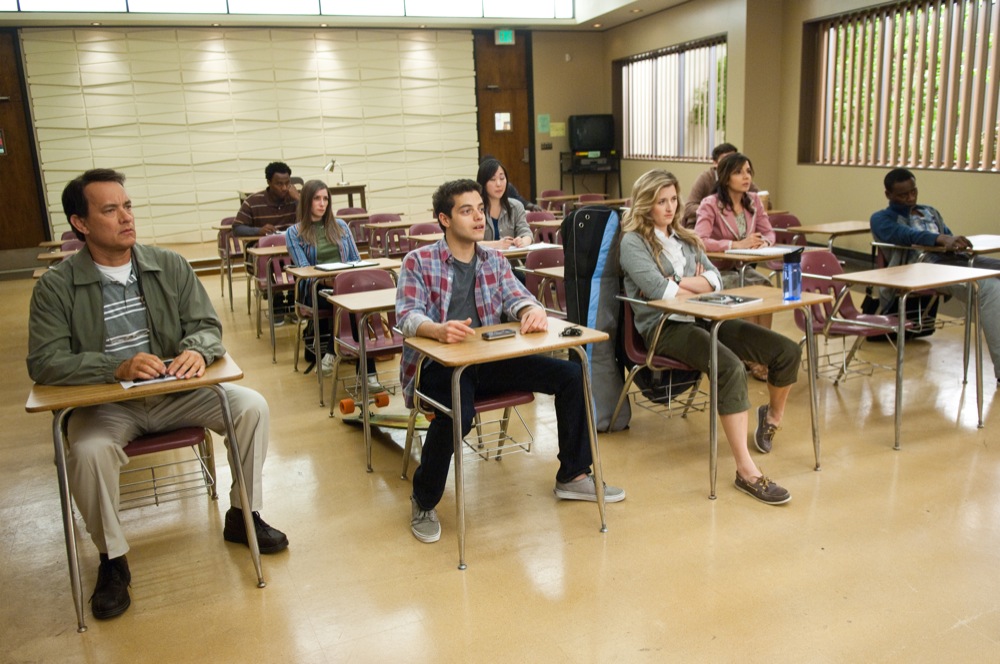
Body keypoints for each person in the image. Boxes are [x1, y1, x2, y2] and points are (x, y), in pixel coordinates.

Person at [27, 169, 288, 621]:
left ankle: (243, 514)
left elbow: (206, 326)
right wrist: (114, 367)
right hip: (106, 404)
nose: (126, 217)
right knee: (87, 451)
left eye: (127, 206)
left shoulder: (169, 266)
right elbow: (45, 362)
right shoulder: (56, 287)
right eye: (110, 210)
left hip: (174, 393)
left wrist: (197, 350)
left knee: (251, 406)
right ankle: (112, 558)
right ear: (80, 223)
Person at [395, 179, 625, 543]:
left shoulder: (494, 260)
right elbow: (407, 315)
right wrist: (436, 329)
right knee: (458, 413)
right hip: (441, 366)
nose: (478, 217)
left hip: (489, 361)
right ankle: (423, 500)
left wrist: (532, 310)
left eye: (480, 210)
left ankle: (573, 475)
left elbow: (518, 297)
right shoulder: (418, 262)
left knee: (571, 374)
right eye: (466, 211)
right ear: (444, 219)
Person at [619, 169, 800, 505]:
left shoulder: (686, 238)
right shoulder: (633, 242)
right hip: (666, 326)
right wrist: (690, 284)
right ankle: (746, 470)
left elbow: (716, 280)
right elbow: (660, 291)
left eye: (673, 199)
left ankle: (772, 417)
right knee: (730, 367)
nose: (670, 207)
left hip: (707, 315)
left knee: (786, 350)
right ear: (645, 204)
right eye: (661, 201)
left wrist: (680, 282)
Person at [870, 168, 1000, 386]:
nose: (910, 198)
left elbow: (948, 237)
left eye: (913, 191)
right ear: (888, 194)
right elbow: (905, 235)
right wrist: (939, 238)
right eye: (903, 195)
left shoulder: (929, 211)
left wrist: (953, 241)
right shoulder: (881, 218)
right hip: (924, 268)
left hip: (953, 260)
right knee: (989, 288)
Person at [286, 180, 381, 389]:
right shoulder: (294, 232)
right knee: (353, 306)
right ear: (306, 201)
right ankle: (369, 374)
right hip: (315, 289)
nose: (322, 204)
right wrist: (326, 279)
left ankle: (331, 352)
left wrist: (344, 280)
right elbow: (304, 270)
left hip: (344, 288)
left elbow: (355, 260)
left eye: (325, 199)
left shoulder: (340, 226)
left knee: (352, 304)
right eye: (317, 199)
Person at [694, 152, 776, 381]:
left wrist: (764, 242)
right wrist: (733, 245)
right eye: (738, 172)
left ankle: (762, 352)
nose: (746, 177)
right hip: (718, 270)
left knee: (765, 288)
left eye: (748, 171)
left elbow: (769, 232)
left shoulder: (754, 201)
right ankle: (751, 356)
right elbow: (700, 240)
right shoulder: (710, 204)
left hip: (743, 268)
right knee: (747, 293)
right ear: (725, 177)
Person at [682, 143, 758, 229]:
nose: (730, 163)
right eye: (725, 159)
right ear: (715, 163)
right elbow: (689, 207)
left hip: (732, 227)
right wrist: (714, 211)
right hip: (699, 225)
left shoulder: (742, 180)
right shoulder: (705, 178)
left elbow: (762, 200)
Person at [476, 158, 533, 250]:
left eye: (502, 178)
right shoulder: (475, 210)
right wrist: (496, 245)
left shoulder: (516, 206)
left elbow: (527, 233)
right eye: (492, 179)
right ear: (483, 183)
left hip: (511, 258)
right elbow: (469, 243)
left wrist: (522, 241)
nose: (499, 184)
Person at [233, 161, 299, 237]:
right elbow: (237, 228)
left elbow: (310, 223)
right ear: (269, 182)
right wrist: (259, 231)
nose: (284, 188)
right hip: (262, 242)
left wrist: (299, 199)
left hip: (291, 242)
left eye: (287, 183)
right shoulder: (252, 202)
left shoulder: (295, 198)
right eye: (279, 184)